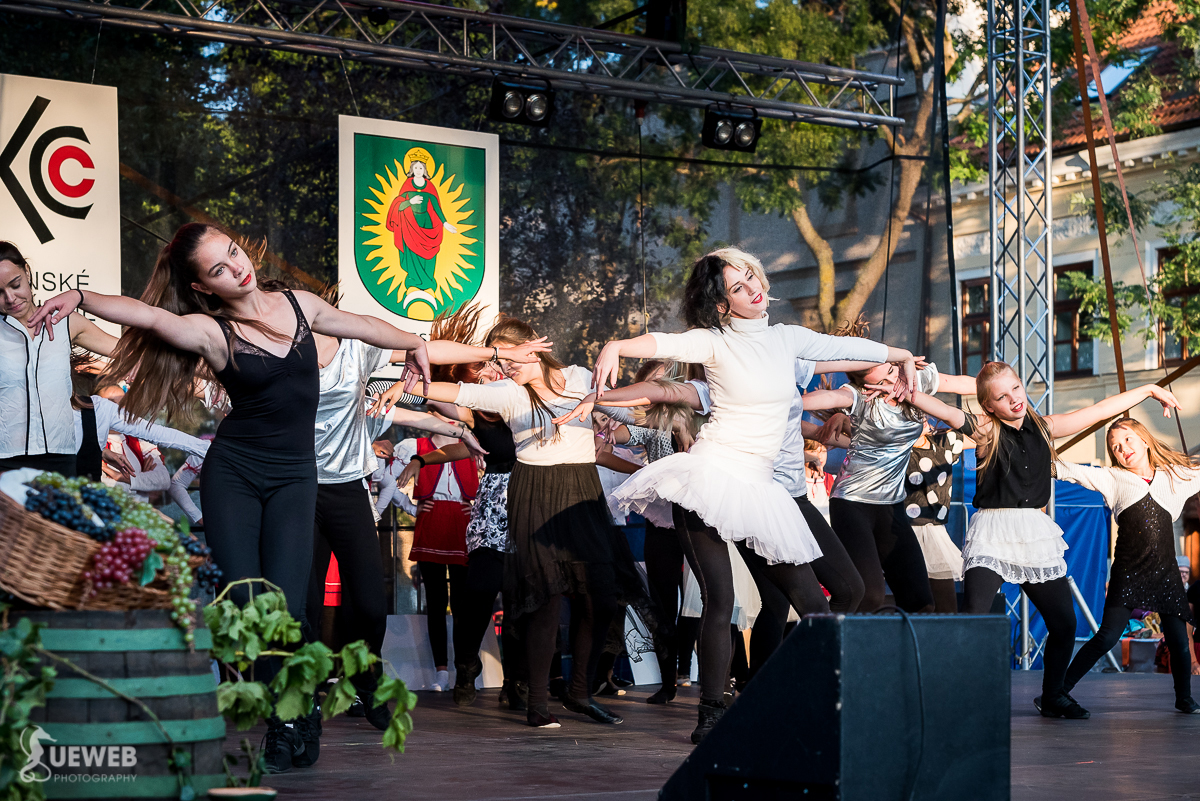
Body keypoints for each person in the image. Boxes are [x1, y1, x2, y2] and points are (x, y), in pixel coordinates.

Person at [25, 222, 501, 770]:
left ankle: (298, 711)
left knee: (289, 607)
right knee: (250, 602)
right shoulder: (210, 331)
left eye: (232, 252)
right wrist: (80, 296)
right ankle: (287, 720)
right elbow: (149, 316)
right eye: (218, 269)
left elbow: (365, 325)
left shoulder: (299, 305)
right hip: (236, 476)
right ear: (204, 287)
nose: (236, 267)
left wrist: (415, 344)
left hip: (297, 479)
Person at [561, 247, 916, 742]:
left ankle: (794, 693)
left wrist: (898, 355)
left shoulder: (787, 338)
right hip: (709, 478)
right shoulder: (714, 342)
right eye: (737, 286)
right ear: (723, 305)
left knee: (814, 604)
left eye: (751, 276)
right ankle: (710, 712)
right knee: (719, 600)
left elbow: (839, 347)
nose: (753, 287)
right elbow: (667, 346)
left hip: (762, 488)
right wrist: (615, 347)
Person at [375, 316, 648, 729]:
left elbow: (637, 412)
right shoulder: (507, 393)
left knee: (602, 599)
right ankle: (537, 702)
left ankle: (579, 692)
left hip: (582, 496)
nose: (504, 367)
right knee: (545, 602)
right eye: (500, 362)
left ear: (534, 349)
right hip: (535, 493)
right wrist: (409, 385)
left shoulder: (576, 377)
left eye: (512, 358)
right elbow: (457, 390)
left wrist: (607, 404)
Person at [898, 363, 1181, 719]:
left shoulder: (1045, 427)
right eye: (1002, 396)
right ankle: (949, 696)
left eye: (1015, 388)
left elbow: (1097, 411)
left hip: (1033, 532)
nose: (1013, 399)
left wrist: (1149, 391)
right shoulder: (987, 430)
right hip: (993, 532)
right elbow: (945, 410)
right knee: (973, 617)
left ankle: (1053, 696)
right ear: (989, 406)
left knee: (1064, 623)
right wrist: (904, 390)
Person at [806, 345, 976, 614]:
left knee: (922, 602)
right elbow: (828, 397)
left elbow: (960, 383)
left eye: (892, 372)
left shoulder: (915, 382)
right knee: (869, 595)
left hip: (891, 505)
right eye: (881, 383)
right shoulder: (859, 398)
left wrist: (1004, 391)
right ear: (866, 386)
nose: (889, 386)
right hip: (852, 503)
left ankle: (906, 655)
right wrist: (782, 402)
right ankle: (832, 646)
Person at [1052, 419, 1200, 714]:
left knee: (1178, 640)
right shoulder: (1113, 478)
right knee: (1106, 636)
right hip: (1129, 573)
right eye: (1116, 447)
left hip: (1166, 574)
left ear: (1145, 440)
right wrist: (1031, 453)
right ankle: (1057, 692)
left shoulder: (1176, 477)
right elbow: (1068, 470)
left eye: (1128, 440)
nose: (1123, 449)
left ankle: (1184, 698)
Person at [1, 241, 117, 475]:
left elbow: (125, 351)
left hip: (60, 457)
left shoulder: (66, 321)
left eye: (16, 284)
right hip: (5, 458)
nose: (10, 298)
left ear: (27, 272)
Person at [902, 421, 972, 613]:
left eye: (920, 413)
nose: (920, 417)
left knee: (947, 606)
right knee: (919, 604)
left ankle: (944, 641)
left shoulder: (945, 442)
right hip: (907, 532)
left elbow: (984, 434)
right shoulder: (897, 447)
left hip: (935, 533)